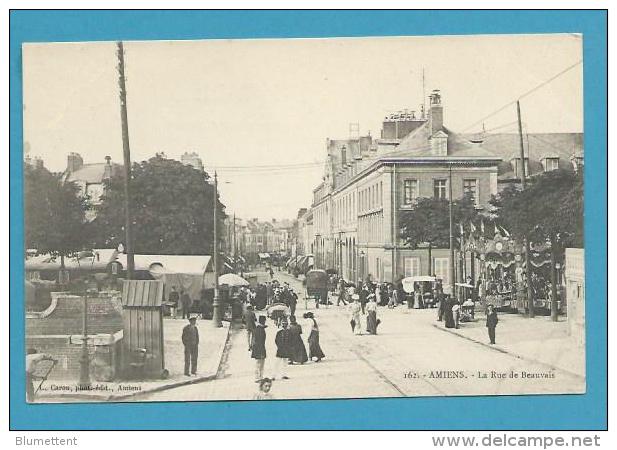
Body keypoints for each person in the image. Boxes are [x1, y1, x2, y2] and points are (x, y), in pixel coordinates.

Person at [252, 315, 268, 381]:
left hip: (258, 348)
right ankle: (258, 377)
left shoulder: (258, 328)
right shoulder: (260, 330)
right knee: (259, 364)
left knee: (259, 363)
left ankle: (259, 377)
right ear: (263, 321)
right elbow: (260, 341)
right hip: (260, 348)